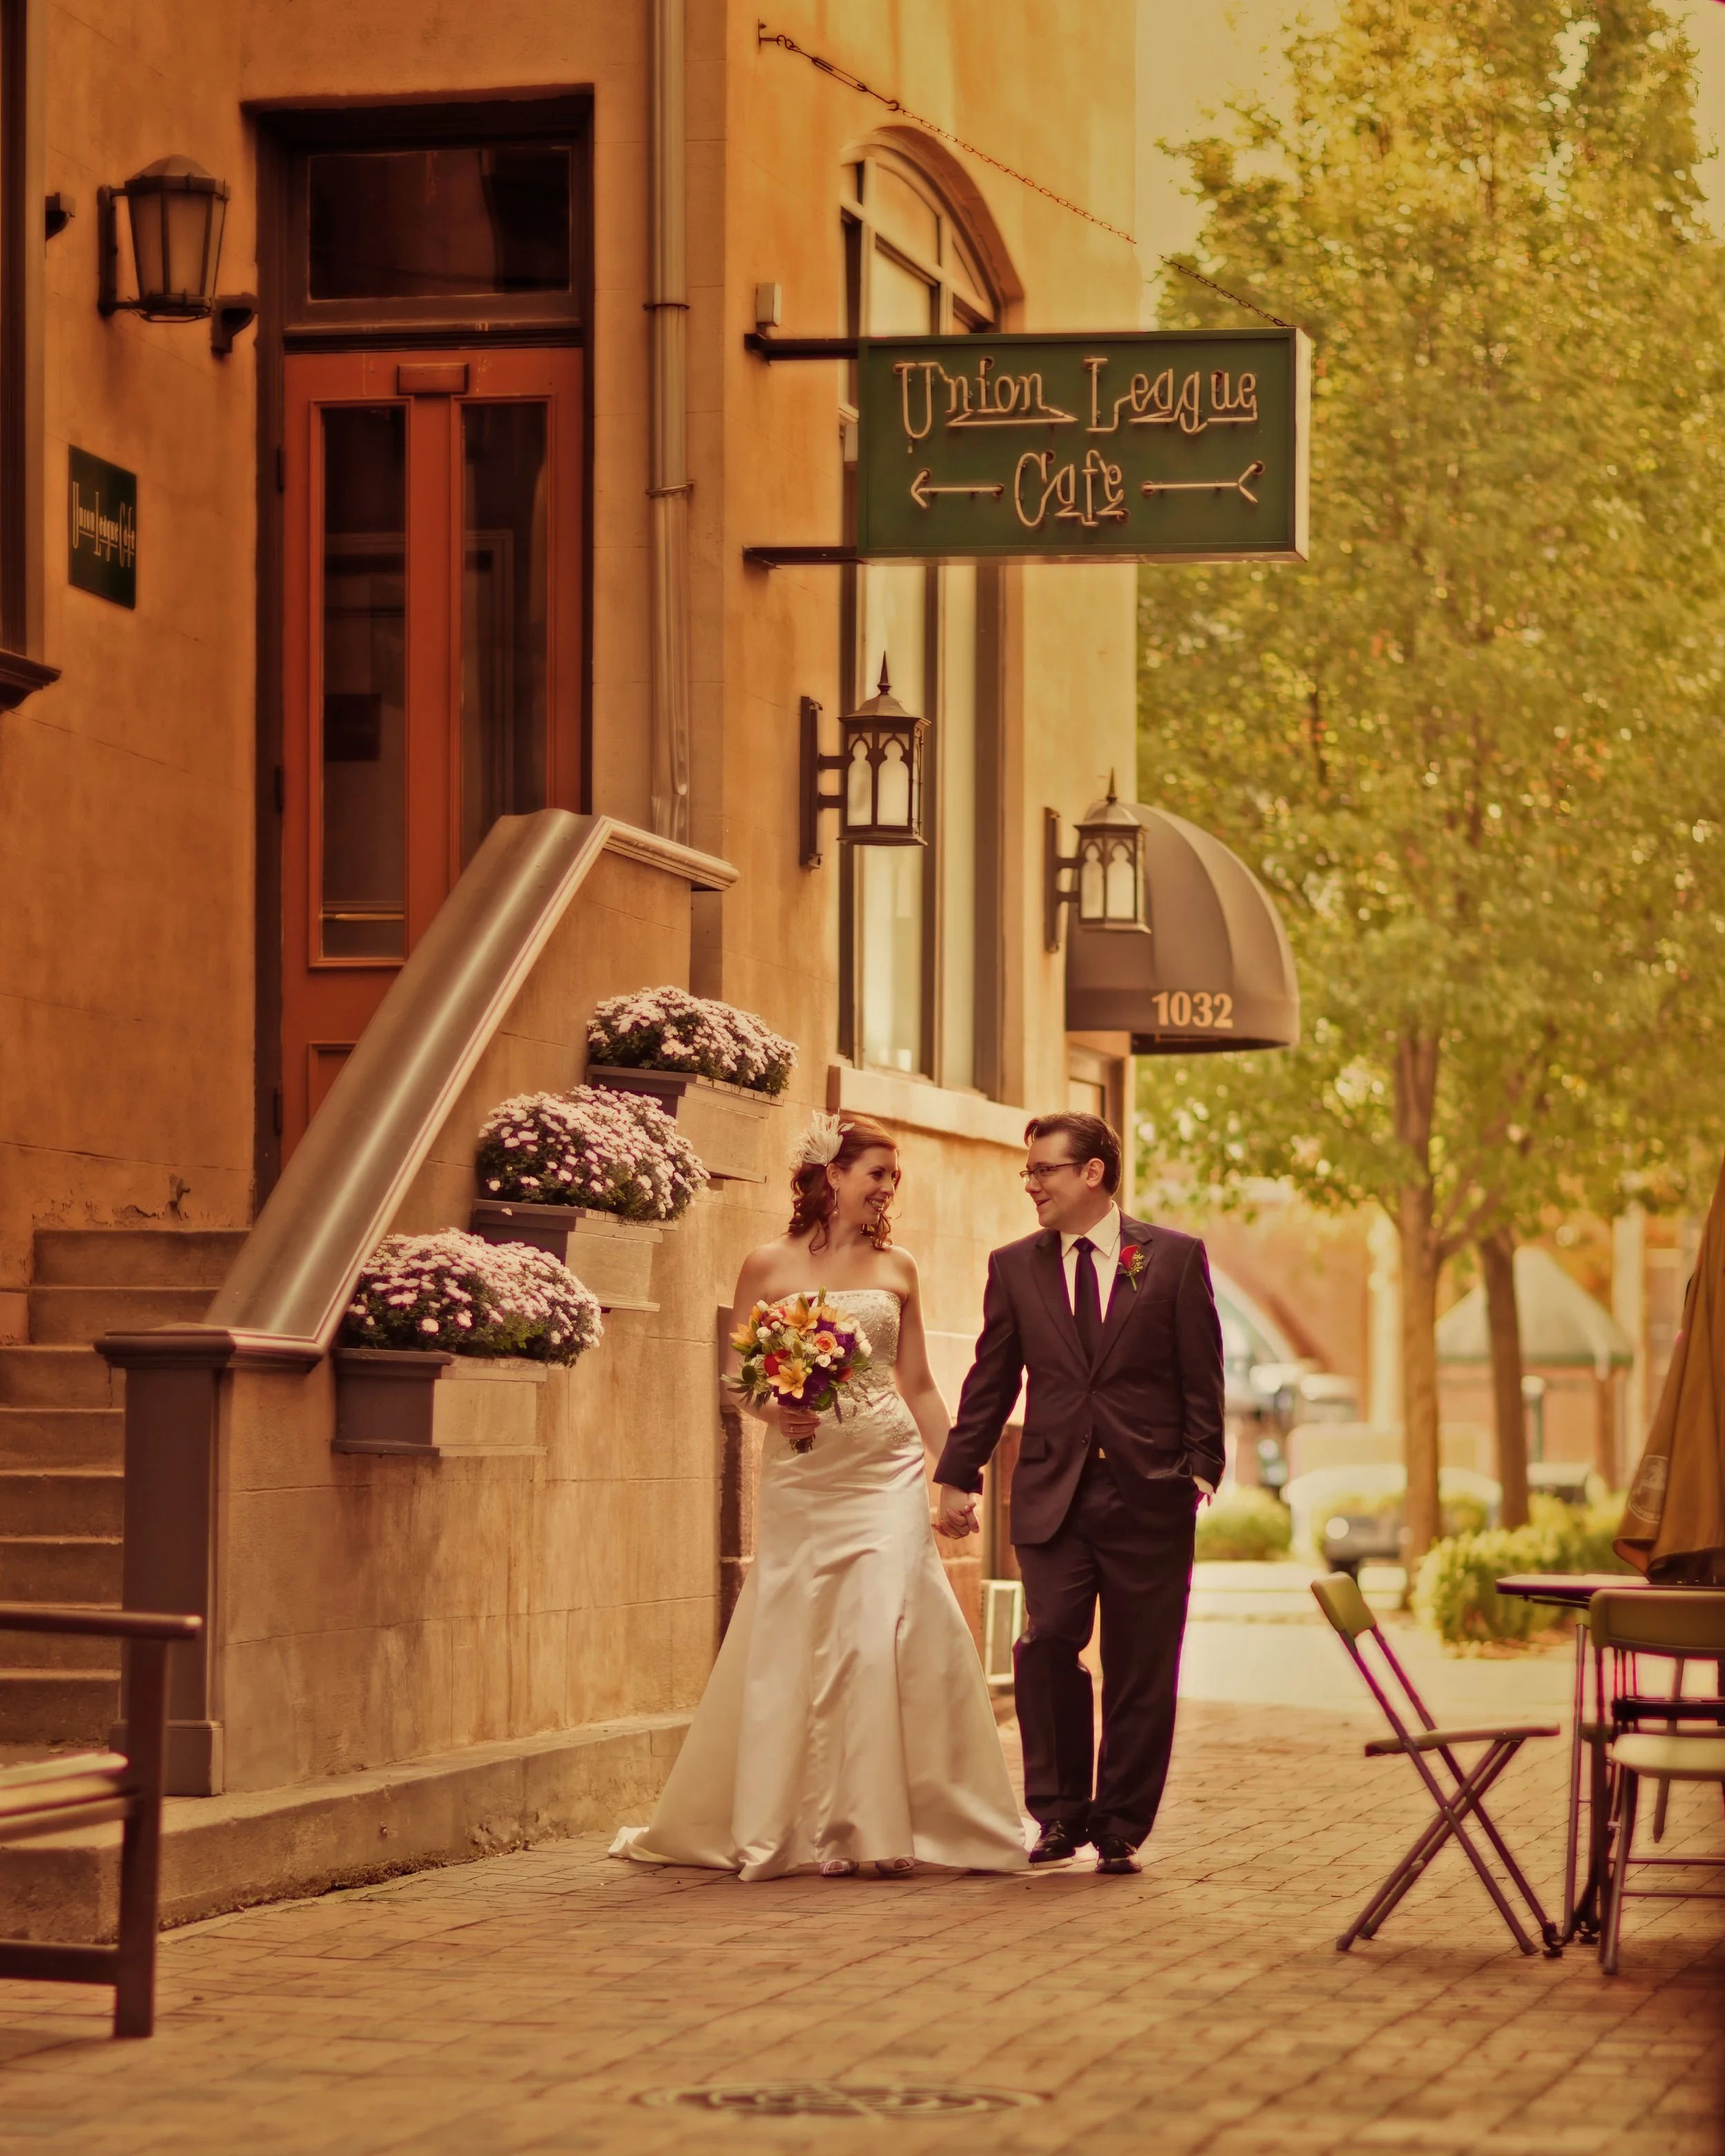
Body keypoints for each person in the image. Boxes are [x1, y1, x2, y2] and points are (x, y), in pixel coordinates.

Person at [611, 1111, 1028, 1881]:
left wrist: (954, 1473)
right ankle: (809, 1820)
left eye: (892, 1177)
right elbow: (739, 1378)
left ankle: (876, 1825)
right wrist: (774, 1407)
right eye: (876, 1172)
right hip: (803, 1472)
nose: (887, 1188)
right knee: (802, 1636)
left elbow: (919, 1384)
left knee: (877, 1635)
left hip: (887, 1468)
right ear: (832, 1174)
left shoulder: (898, 1266)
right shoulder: (764, 1265)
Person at [934, 1111, 1224, 1876]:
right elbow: (991, 1379)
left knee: (1141, 1664)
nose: (1030, 1184)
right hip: (1052, 1494)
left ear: (1092, 1171)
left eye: (1043, 1170)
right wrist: (958, 1470)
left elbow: (1203, 1376)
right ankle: (1057, 1812)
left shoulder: (1172, 1259)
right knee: (1046, 1638)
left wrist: (1197, 1470)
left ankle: (1121, 1823)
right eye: (1027, 1172)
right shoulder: (1014, 1266)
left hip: (1149, 1495)